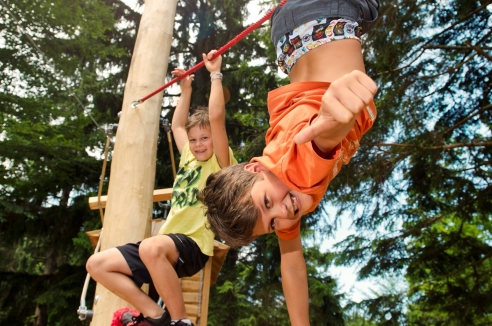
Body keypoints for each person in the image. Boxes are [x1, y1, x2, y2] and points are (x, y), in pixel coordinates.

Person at [197, 0, 379, 324]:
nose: (282, 213)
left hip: (330, 14)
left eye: (267, 203)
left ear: (254, 170)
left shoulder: (297, 172)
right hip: (288, 38)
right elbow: (291, 263)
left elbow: (319, 141)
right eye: (271, 224)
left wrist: (335, 117)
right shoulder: (274, 181)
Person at [86, 50, 236, 326]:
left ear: (215, 139)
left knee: (151, 248)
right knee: (97, 265)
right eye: (194, 140)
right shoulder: (190, 157)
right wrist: (186, 89)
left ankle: (181, 321)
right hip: (164, 247)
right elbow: (178, 124)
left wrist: (215, 74)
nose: (199, 144)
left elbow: (216, 117)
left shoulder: (220, 164)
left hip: (194, 246)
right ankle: (156, 316)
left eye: (205, 138)